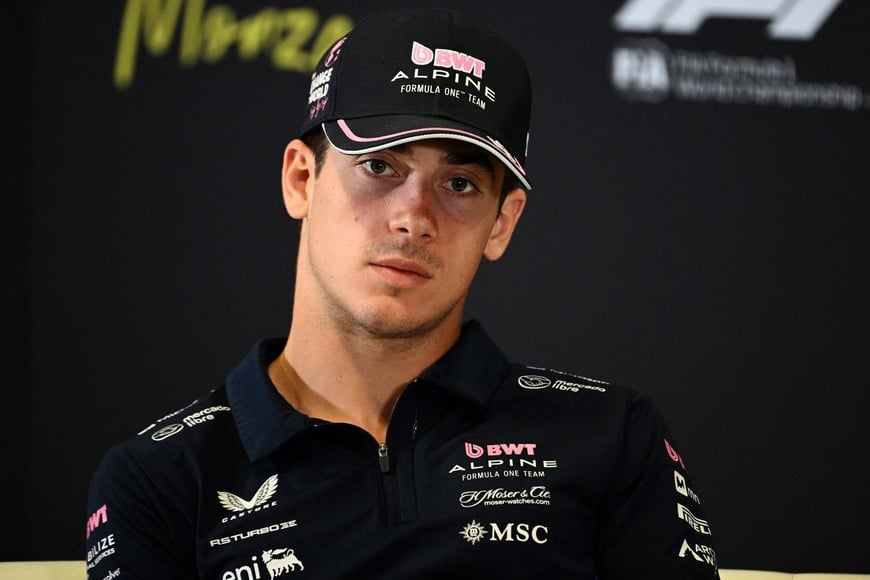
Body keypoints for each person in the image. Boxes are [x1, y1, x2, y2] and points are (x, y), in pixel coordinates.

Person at [86, 7, 719, 579]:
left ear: (503, 222)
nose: (413, 215)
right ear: (301, 179)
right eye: (379, 165)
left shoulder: (610, 435)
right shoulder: (162, 478)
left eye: (461, 184)